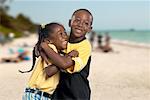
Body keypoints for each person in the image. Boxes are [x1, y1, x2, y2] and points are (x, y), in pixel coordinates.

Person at [40, 8, 93, 100]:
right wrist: (40, 46)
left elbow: (64, 64)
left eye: (86, 23)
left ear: (89, 29)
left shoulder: (85, 46)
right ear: (70, 22)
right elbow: (48, 41)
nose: (80, 25)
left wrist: (44, 46)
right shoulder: (62, 41)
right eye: (77, 20)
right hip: (59, 91)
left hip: (77, 94)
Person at [21, 22, 78, 100]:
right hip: (37, 96)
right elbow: (49, 71)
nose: (65, 36)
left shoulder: (55, 52)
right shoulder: (50, 48)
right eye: (60, 34)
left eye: (65, 33)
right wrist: (68, 57)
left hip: (39, 95)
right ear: (48, 40)